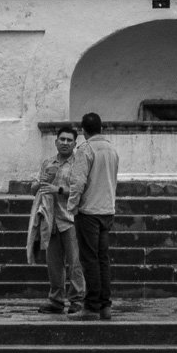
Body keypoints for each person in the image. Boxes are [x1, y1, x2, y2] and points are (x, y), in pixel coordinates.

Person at [68, 110, 120, 320]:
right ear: (101, 128)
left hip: (89, 211)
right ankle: (105, 305)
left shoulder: (86, 149)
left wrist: (72, 206)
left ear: (83, 130)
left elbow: (78, 182)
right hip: (107, 210)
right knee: (103, 259)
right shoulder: (111, 150)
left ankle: (91, 306)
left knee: (89, 259)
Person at [28, 124, 84, 315]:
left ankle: (77, 300)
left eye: (69, 140)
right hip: (50, 219)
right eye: (62, 139)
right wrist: (41, 182)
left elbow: (80, 191)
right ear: (56, 142)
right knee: (54, 264)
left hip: (70, 219)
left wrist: (57, 189)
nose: (65, 143)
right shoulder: (48, 163)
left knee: (75, 262)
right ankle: (56, 300)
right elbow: (34, 189)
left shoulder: (78, 164)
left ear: (75, 143)